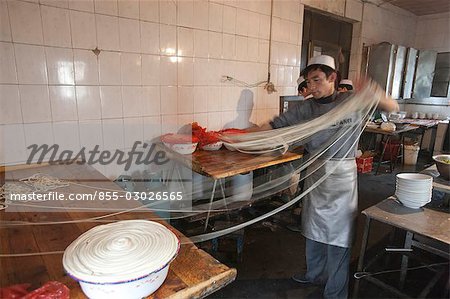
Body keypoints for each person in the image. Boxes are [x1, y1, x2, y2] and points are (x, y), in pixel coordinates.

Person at [251, 55, 398, 298]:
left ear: (332, 78)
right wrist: (242, 137)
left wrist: (373, 90)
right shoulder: (307, 108)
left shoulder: (352, 102)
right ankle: (314, 274)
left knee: (339, 236)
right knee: (312, 229)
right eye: (309, 81)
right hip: (316, 171)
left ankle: (336, 292)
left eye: (317, 80)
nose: (312, 87)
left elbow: (393, 107)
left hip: (342, 175)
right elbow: (276, 124)